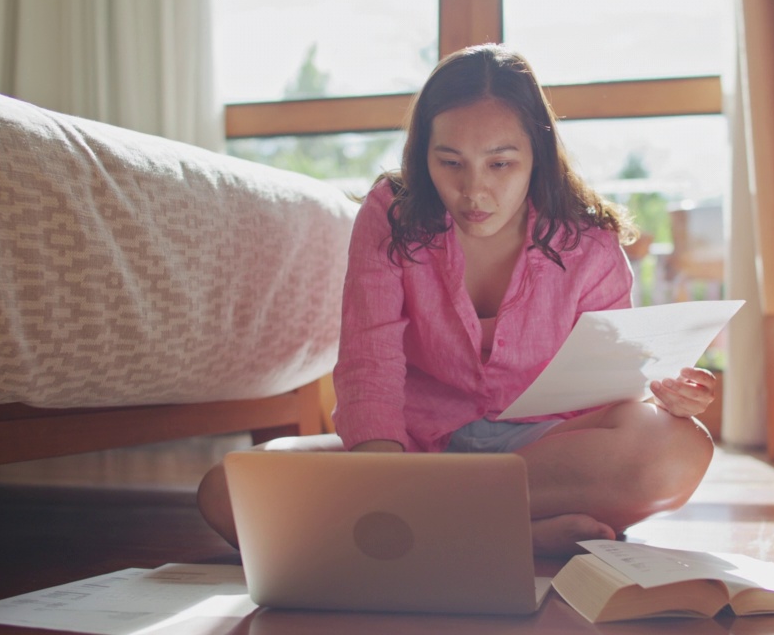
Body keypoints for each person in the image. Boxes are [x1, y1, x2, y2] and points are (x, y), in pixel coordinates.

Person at [198, 43, 717, 556]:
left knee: (678, 450)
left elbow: (612, 395)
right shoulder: (391, 215)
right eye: (451, 162)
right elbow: (368, 365)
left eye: (500, 164)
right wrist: (381, 479)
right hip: (414, 451)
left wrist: (661, 395)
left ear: (537, 155)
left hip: (542, 453)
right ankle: (507, 536)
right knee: (229, 490)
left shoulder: (589, 239)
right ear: (424, 155)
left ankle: (419, 535)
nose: (474, 192)